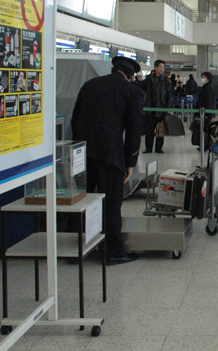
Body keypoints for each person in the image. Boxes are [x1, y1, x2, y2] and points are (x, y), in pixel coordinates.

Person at [71, 56, 143, 265]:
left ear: (113, 69)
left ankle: (75, 250)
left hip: (83, 153)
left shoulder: (89, 85)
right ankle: (112, 251)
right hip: (111, 155)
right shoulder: (131, 91)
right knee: (110, 203)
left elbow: (75, 119)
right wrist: (130, 162)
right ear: (131, 75)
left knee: (82, 201)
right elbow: (134, 131)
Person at [143, 60, 171, 153]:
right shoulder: (148, 79)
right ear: (155, 68)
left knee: (160, 129)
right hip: (150, 108)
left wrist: (168, 107)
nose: (162, 69)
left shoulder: (166, 80)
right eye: (160, 67)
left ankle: (159, 148)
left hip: (161, 107)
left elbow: (169, 95)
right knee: (149, 130)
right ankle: (148, 148)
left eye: (163, 67)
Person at [191, 71, 215, 150]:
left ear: (208, 78)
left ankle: (205, 145)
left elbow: (208, 101)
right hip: (203, 112)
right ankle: (203, 145)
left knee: (205, 129)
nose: (202, 79)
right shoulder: (205, 87)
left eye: (204, 77)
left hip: (205, 113)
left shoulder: (209, 88)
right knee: (203, 129)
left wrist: (206, 114)